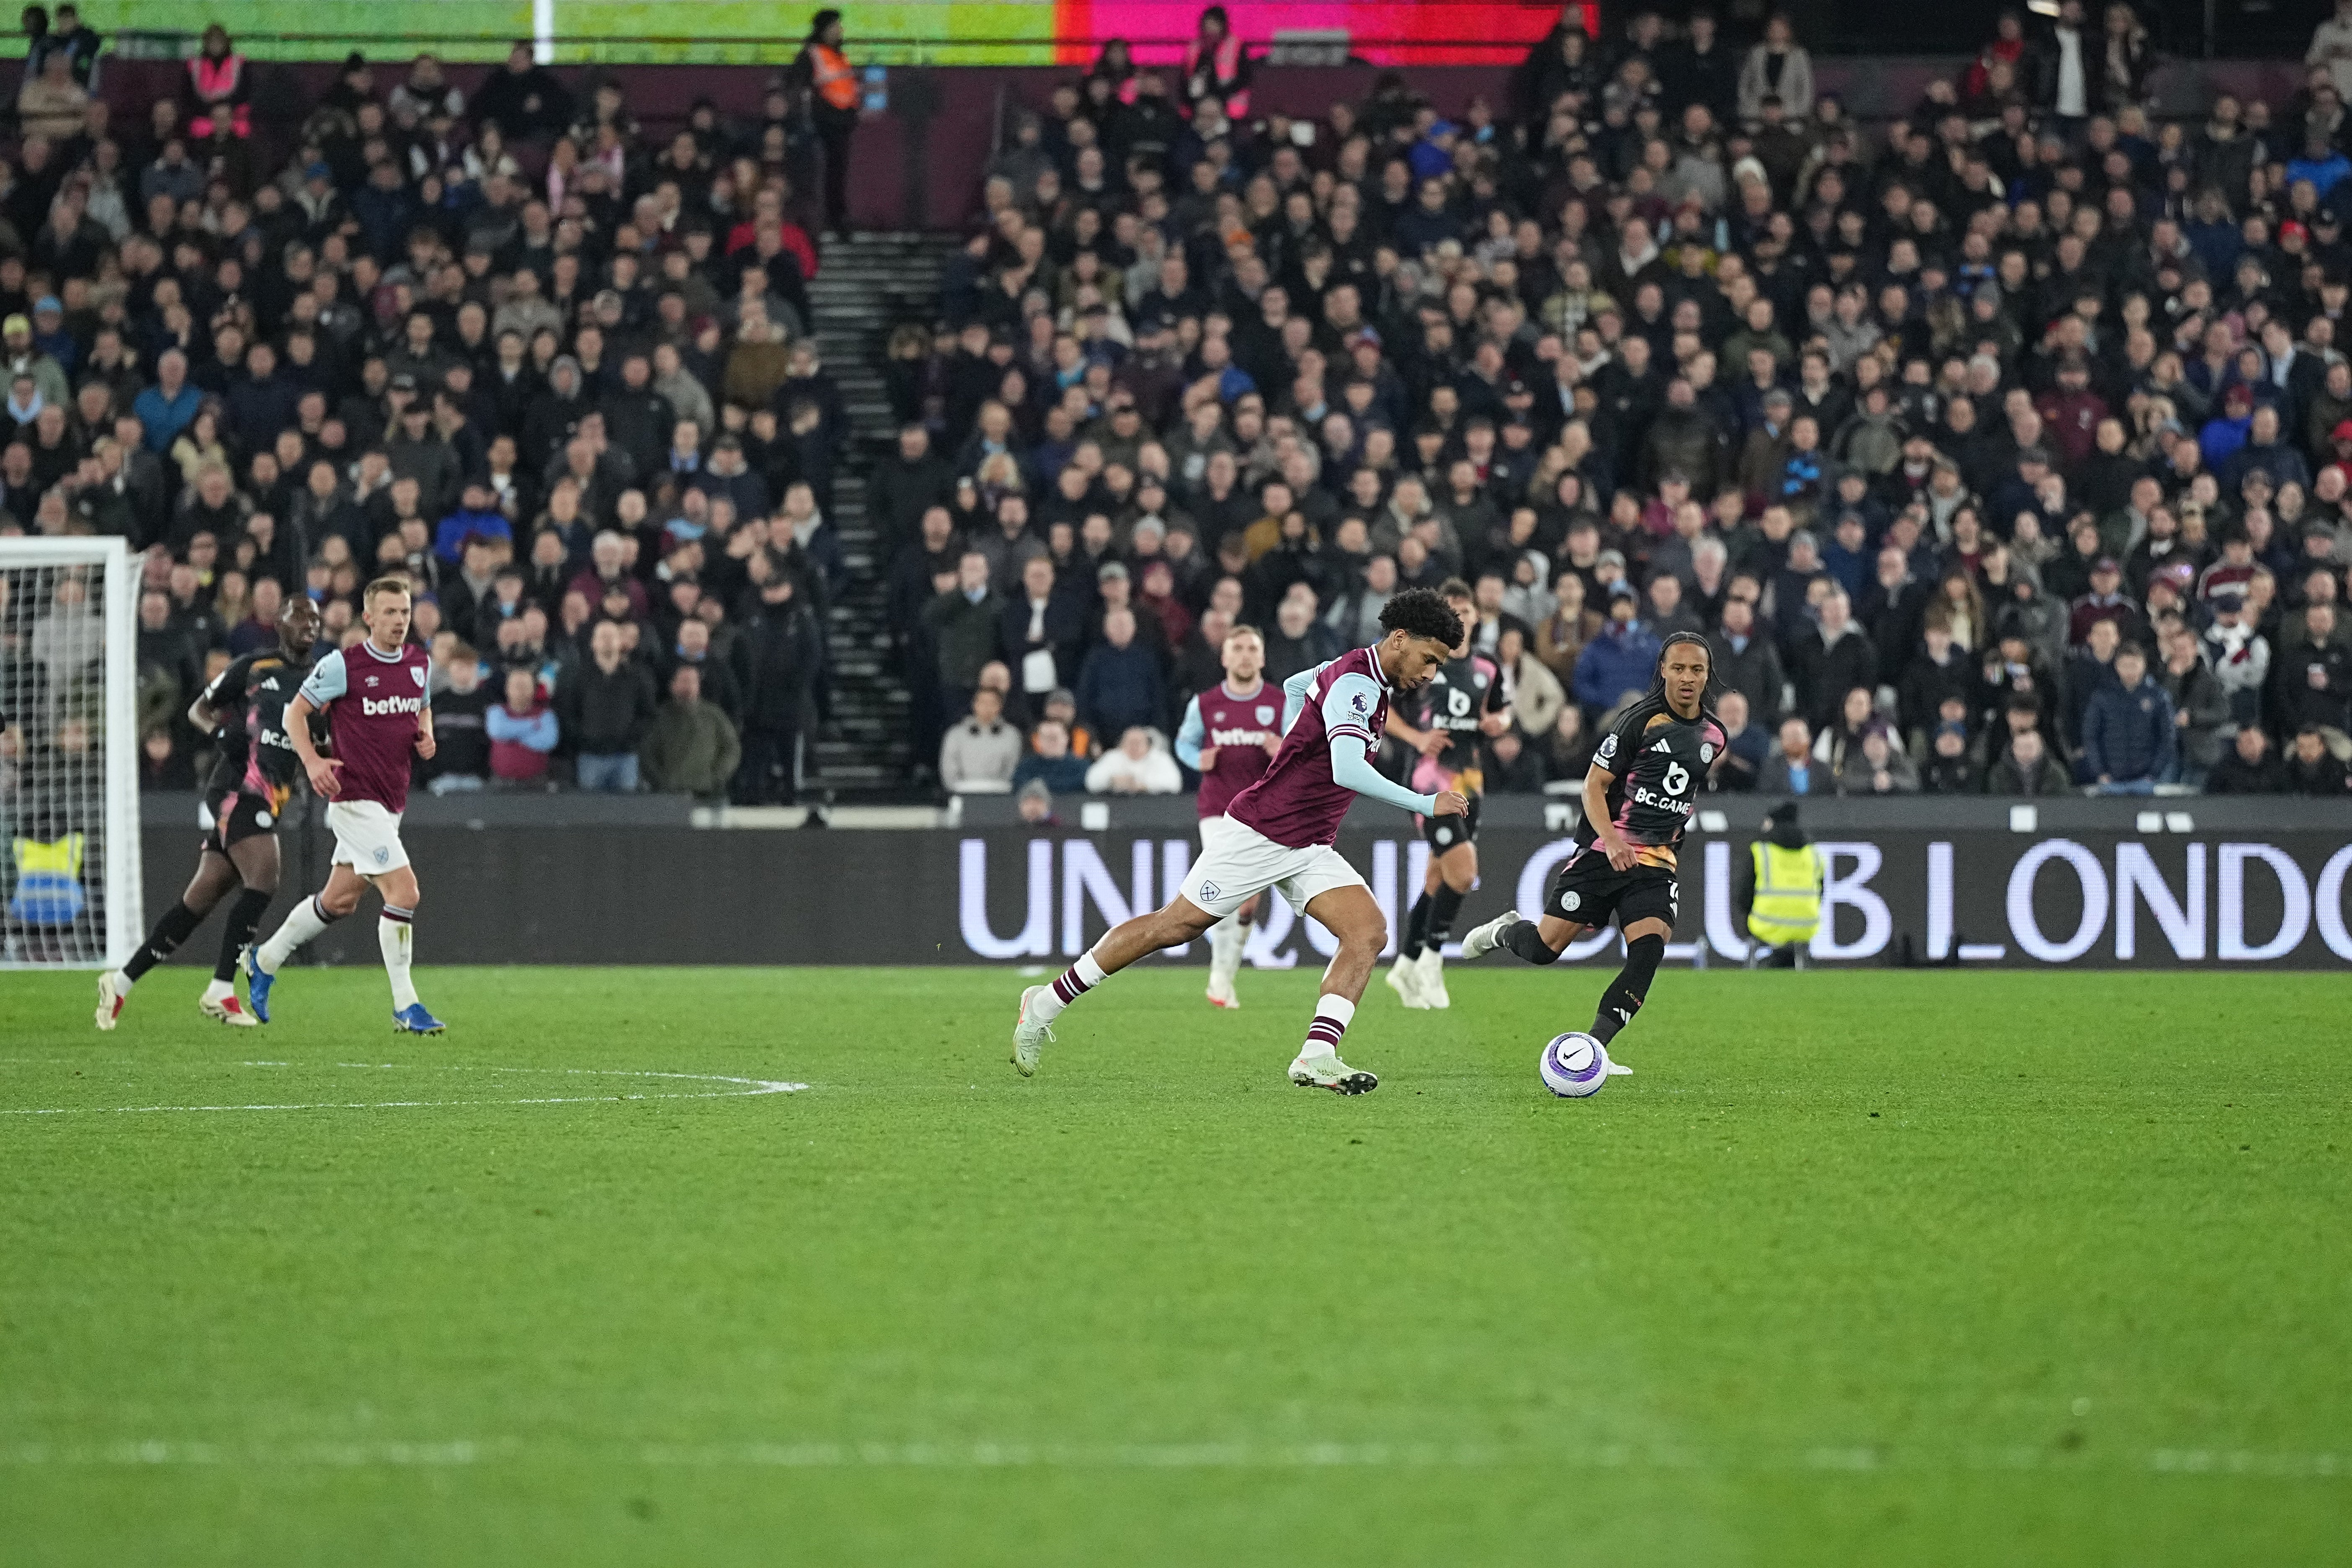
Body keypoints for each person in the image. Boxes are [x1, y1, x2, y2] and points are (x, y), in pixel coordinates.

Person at [1012, 590, 1471, 1094]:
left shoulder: (1356, 673)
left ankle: (1317, 1056)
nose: (1430, 674)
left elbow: (1297, 685)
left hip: (1309, 840)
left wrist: (1295, 730)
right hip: (1263, 831)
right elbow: (1347, 768)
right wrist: (1425, 804)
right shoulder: (1357, 684)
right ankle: (1046, 1002)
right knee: (1173, 926)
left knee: (1367, 931)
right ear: (1400, 639)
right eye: (1429, 659)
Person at [1457, 633, 1722, 1068]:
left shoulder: (1714, 734)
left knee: (1648, 951)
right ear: (1663, 671)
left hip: (1655, 864)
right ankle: (1505, 931)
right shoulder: (1638, 722)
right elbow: (1593, 786)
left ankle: (1594, 1049)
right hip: (1604, 851)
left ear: (1707, 674)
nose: (1687, 678)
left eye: (1697, 669)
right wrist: (1615, 840)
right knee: (1545, 949)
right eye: (1679, 668)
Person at [96, 598, 324, 1029]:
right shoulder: (255, 668)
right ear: (281, 624)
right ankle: (221, 989)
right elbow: (198, 711)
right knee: (265, 877)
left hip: (271, 796)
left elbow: (323, 740)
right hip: (236, 788)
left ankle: (120, 982)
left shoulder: (321, 680)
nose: (310, 625)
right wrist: (222, 733)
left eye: (316, 618)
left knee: (198, 902)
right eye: (301, 617)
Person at [245, 578, 442, 1034]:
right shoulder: (344, 666)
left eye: (405, 612)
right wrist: (312, 762)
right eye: (389, 613)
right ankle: (405, 1005)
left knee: (339, 900)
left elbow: (422, 707)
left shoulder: (419, 663)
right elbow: (294, 713)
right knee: (405, 893)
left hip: (392, 801)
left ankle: (265, 960)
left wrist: (425, 733)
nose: (399, 621)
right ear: (369, 618)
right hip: (354, 799)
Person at [1385, 579, 1511, 1010]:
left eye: (1466, 609)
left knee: (1437, 878)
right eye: (1452, 609)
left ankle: (1404, 964)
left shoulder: (1488, 667)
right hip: (1428, 780)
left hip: (1471, 779)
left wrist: (1501, 723)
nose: (1461, 616)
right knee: (1462, 873)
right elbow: (1383, 712)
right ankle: (1431, 962)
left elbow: (1500, 712)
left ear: (1476, 616)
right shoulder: (1422, 660)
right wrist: (1418, 740)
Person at [1172, 622, 1282, 1009]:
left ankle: (1227, 972)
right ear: (1225, 657)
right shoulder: (1205, 705)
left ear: (1262, 657)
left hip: (1266, 811)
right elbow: (1183, 743)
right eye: (1237, 649)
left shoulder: (1281, 702)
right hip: (1218, 808)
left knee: (1250, 902)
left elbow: (1300, 751)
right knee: (1228, 890)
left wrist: (1281, 748)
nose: (1245, 656)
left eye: (1252, 649)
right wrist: (1195, 759)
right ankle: (1220, 977)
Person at [792, 10, 860, 237]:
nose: (841, 30)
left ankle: (837, 218)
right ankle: (829, 220)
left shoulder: (837, 55)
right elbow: (797, 85)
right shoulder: (812, 55)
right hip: (822, 127)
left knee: (836, 175)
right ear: (824, 30)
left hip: (840, 125)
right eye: (836, 27)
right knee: (823, 175)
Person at [1735, 800, 1822, 968]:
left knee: (1754, 921)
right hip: (1806, 925)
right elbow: (1820, 894)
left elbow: (1745, 895)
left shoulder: (1761, 851)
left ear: (1772, 823)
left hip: (1766, 923)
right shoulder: (1814, 853)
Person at [639, 664, 743, 799]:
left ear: (699, 686)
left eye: (693, 681)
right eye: (683, 681)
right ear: (673, 686)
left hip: (709, 794)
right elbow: (647, 753)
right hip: (669, 795)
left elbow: (732, 749)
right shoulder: (660, 717)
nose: (688, 686)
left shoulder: (714, 715)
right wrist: (662, 781)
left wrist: (716, 777)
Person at [940, 685, 1021, 792]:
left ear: (1000, 706)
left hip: (999, 796)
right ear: (975, 705)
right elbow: (949, 771)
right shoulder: (955, 734)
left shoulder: (1011, 735)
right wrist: (958, 790)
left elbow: (1012, 769)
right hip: (963, 794)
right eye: (983, 702)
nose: (987, 708)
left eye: (993, 703)